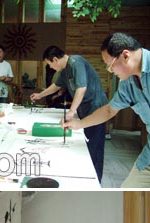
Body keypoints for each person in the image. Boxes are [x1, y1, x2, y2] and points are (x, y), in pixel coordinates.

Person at [62, 33, 150, 188]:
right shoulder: (128, 83)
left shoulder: (76, 62)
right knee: (129, 189)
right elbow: (109, 110)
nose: (110, 71)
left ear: (125, 55)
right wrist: (78, 124)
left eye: (110, 65)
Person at [31, 45, 107, 183]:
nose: (51, 67)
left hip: (96, 109)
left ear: (55, 59)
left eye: (50, 64)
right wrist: (40, 95)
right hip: (85, 110)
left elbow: (81, 88)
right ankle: (86, 176)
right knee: (87, 146)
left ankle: (95, 182)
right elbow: (56, 86)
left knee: (95, 148)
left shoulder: (76, 62)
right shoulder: (64, 70)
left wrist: (71, 111)